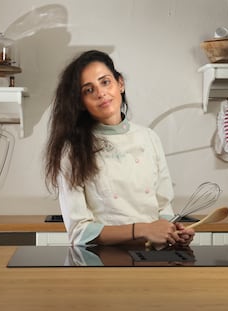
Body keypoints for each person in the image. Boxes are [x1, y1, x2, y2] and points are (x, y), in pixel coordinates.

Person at [45, 50, 194, 247]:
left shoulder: (149, 138)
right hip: (102, 263)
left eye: (105, 82)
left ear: (120, 84)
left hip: (153, 258)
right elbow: (78, 231)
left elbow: (163, 205)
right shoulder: (72, 151)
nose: (101, 93)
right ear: (81, 103)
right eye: (89, 90)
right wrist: (144, 230)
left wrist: (172, 232)